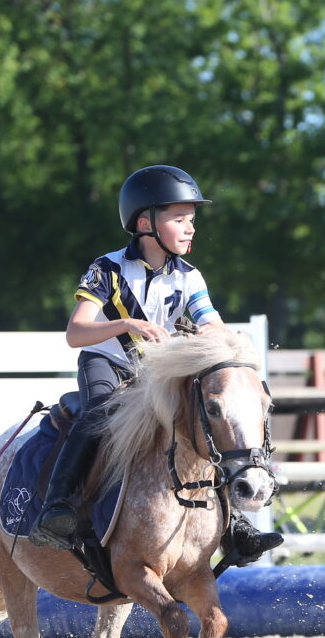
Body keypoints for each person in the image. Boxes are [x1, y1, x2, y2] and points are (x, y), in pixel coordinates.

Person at [29, 165, 282, 564]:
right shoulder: (107, 269)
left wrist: (219, 338)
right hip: (107, 363)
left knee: (200, 426)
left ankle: (235, 526)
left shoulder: (190, 276)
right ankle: (57, 507)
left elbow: (212, 323)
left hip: (154, 375)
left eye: (192, 219)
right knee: (97, 414)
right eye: (179, 219)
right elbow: (76, 334)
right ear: (145, 223)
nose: (190, 228)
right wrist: (127, 324)